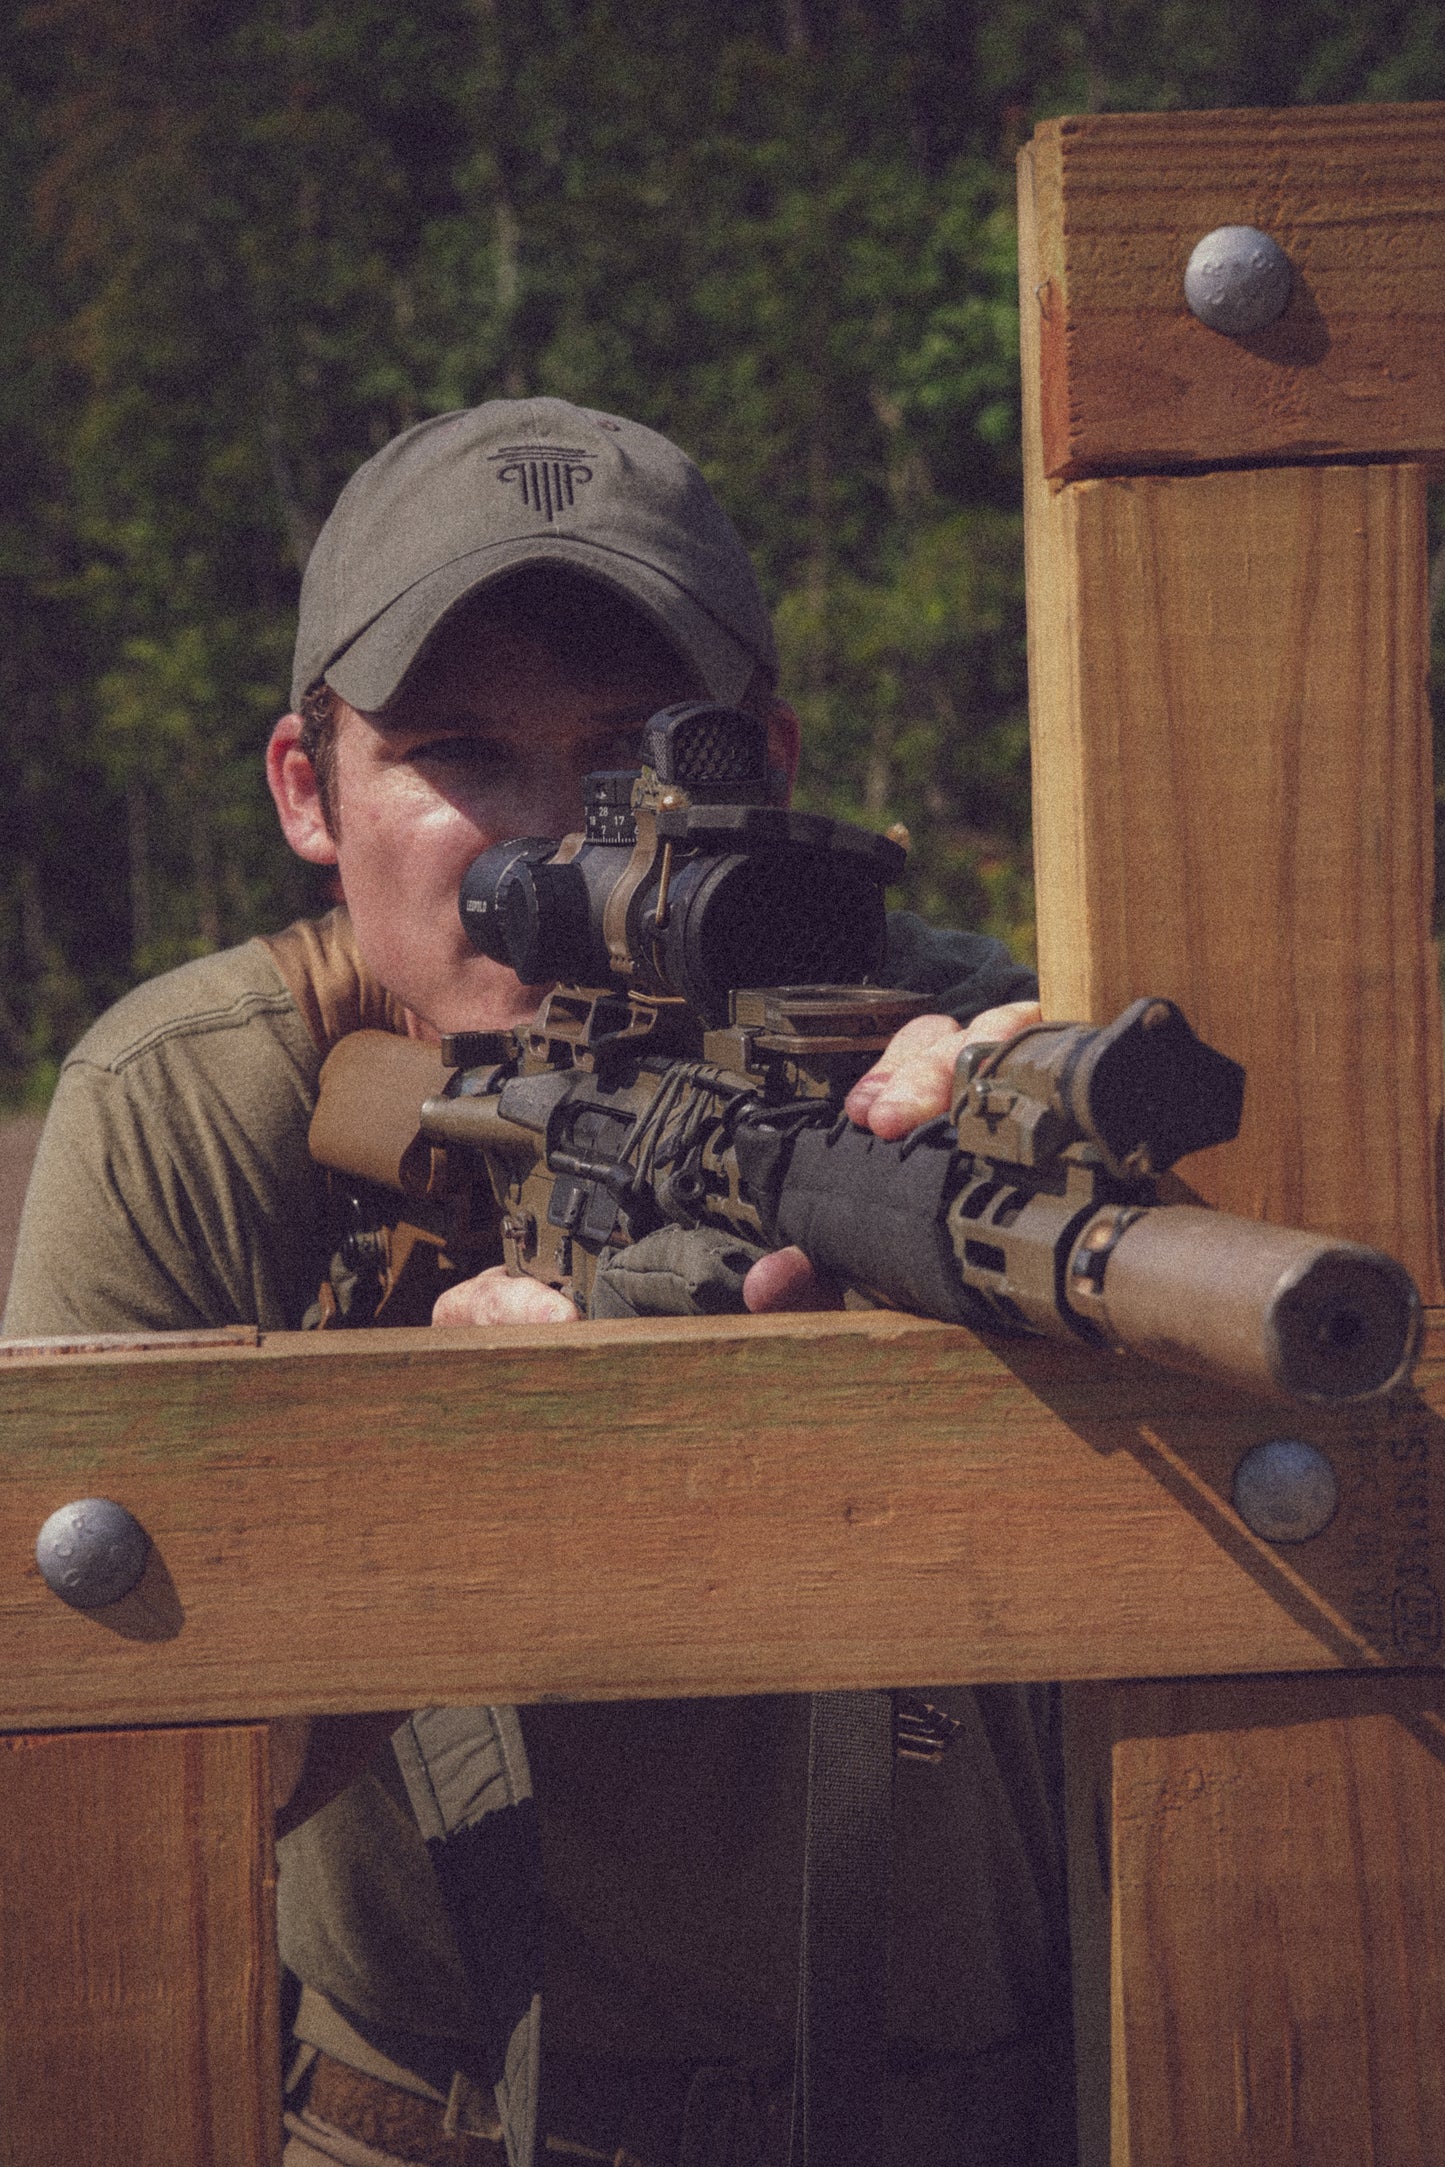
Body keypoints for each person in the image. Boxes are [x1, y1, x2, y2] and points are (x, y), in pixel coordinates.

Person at [4, 398, 1072, 2166]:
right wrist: (430, 1499)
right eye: (459, 755)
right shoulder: (195, 1107)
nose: (560, 842)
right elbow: (86, 1801)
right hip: (426, 2123)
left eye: (635, 758)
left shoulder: (918, 1046)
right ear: (307, 790)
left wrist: (1016, 1159)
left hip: (964, 2106)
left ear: (767, 766)